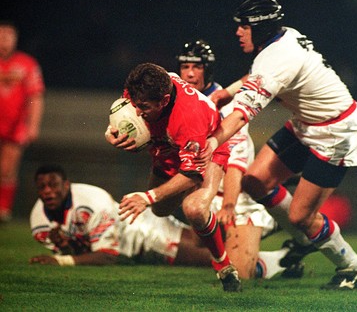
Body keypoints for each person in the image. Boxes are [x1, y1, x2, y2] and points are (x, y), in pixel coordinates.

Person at [206, 0, 357, 290]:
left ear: (261, 28)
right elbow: (259, 74)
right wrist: (225, 93)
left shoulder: (277, 59)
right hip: (308, 124)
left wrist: (209, 142)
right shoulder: (283, 37)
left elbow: (242, 116)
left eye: (243, 26)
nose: (237, 32)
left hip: (337, 132)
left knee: (300, 215)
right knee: (255, 181)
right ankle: (306, 238)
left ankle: (352, 268)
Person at [177, 39, 313, 279]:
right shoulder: (181, 102)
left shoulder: (226, 108)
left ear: (208, 70)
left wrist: (229, 206)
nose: (189, 73)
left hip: (236, 198)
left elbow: (235, 163)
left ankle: (280, 253)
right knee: (196, 256)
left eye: (196, 67)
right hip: (206, 197)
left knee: (239, 272)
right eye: (185, 66)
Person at [105, 63, 242, 292]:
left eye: (144, 107)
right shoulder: (141, 86)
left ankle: (223, 264)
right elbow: (121, 113)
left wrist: (147, 196)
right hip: (168, 148)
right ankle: (196, 203)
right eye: (136, 105)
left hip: (207, 149)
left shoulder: (189, 118)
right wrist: (111, 134)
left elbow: (191, 172)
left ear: (165, 100)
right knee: (160, 210)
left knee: (195, 208)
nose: (137, 112)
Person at [29, 164, 290, 279]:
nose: (48, 191)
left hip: (145, 234)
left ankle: (275, 237)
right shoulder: (38, 220)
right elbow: (85, 249)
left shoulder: (91, 201)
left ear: (66, 184)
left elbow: (107, 255)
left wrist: (61, 259)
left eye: (53, 185)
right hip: (134, 244)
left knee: (214, 259)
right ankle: (282, 255)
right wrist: (66, 248)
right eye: (43, 187)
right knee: (211, 247)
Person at [0, 20, 45, 223]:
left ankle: (3, 211)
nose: (5, 39)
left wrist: (33, 125)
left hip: (15, 125)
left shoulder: (27, 64)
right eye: (2, 35)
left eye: (9, 35)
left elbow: (36, 96)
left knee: (7, 169)